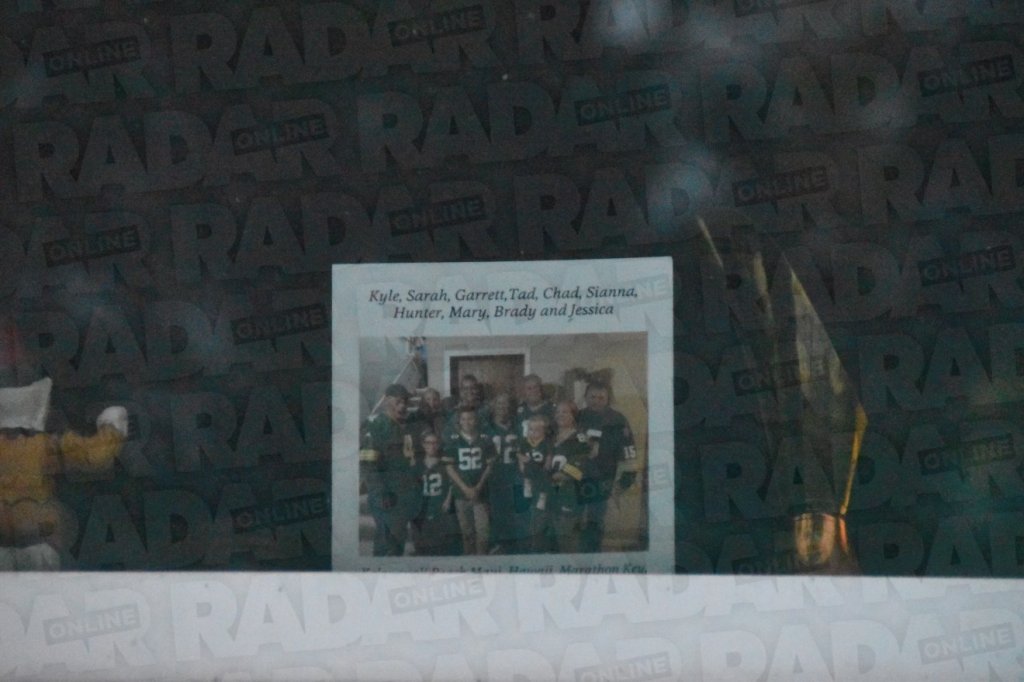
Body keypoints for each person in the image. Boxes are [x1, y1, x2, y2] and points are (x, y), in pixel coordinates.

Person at [576, 380, 639, 553]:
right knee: (573, 521)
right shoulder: (576, 416)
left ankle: (592, 558)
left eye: (601, 398)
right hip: (574, 477)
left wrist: (625, 481)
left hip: (602, 478)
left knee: (595, 521)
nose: (596, 401)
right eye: (592, 397)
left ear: (608, 398)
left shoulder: (617, 420)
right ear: (585, 397)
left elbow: (628, 451)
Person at [360, 384, 422, 556]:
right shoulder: (377, 425)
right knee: (387, 545)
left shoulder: (405, 425)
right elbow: (368, 465)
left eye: (405, 402)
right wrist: (381, 493)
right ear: (387, 401)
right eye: (398, 402)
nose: (403, 406)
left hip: (404, 494)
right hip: (387, 496)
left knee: (398, 543)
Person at [442, 407, 496, 555]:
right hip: (461, 492)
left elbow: (490, 466)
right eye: (464, 419)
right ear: (459, 421)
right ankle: (469, 561)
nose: (467, 422)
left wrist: (478, 487)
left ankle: (482, 560)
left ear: (476, 420)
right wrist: (465, 488)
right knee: (467, 532)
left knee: (483, 530)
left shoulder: (485, 439)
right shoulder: (453, 440)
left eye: (470, 418)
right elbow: (449, 467)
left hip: (481, 492)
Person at [548, 400, 592, 554]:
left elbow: (581, 469)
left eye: (565, 412)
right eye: (558, 412)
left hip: (569, 496)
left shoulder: (580, 437)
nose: (560, 415)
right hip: (550, 497)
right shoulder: (551, 436)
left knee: (567, 543)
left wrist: (562, 475)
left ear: (573, 415)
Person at [413, 432, 460, 556]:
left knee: (441, 543)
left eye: (434, 443)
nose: (432, 446)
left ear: (438, 445)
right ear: (423, 445)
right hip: (424, 506)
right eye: (428, 443)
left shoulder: (444, 464)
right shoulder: (418, 465)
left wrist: (448, 500)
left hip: (440, 503)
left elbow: (452, 483)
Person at [484, 392, 521, 554]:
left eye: (506, 404)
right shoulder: (487, 427)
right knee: (496, 513)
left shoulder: (518, 426)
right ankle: (497, 545)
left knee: (514, 513)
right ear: (493, 406)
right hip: (495, 477)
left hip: (514, 475)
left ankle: (511, 547)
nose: (502, 407)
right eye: (499, 403)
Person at [518, 414, 553, 553]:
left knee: (544, 478)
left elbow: (549, 455)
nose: (533, 433)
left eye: (537, 430)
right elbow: (519, 453)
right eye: (531, 430)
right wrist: (523, 461)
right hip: (530, 469)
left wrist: (548, 464)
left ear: (544, 431)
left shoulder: (546, 442)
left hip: (541, 469)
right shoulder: (525, 442)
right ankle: (527, 484)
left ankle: (543, 497)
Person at [516, 374, 554, 439]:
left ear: (541, 389)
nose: (533, 391)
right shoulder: (518, 411)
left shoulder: (551, 409)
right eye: (529, 388)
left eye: (535, 387)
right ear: (524, 391)